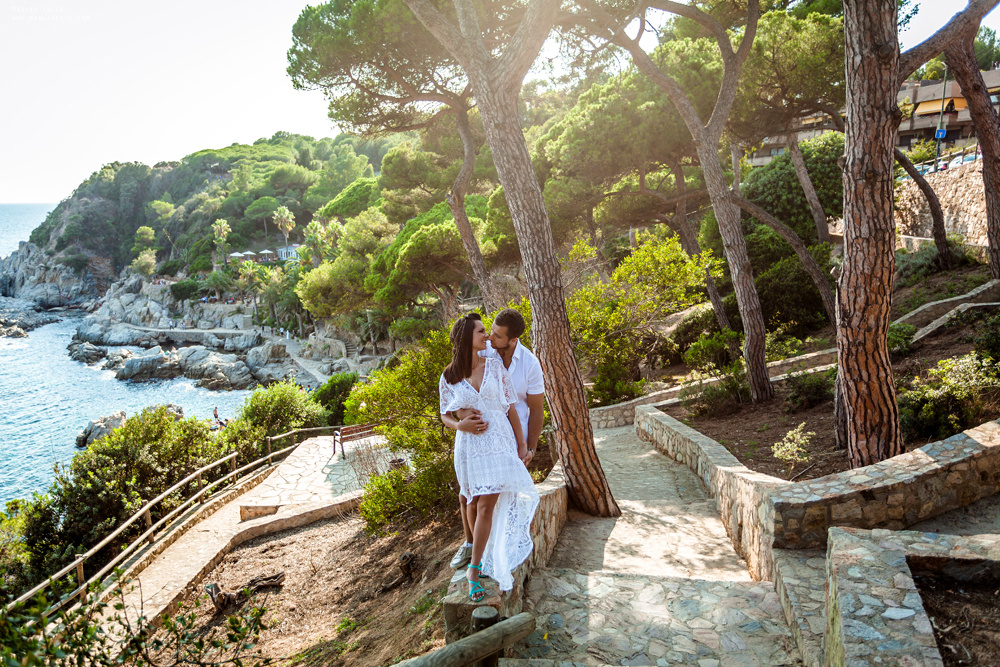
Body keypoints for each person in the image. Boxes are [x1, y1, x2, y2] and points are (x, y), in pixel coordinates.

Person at [439, 313, 539, 601]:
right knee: (472, 501)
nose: (486, 336)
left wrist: (522, 445)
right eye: (481, 331)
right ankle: (479, 556)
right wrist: (460, 424)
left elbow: (510, 409)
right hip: (469, 447)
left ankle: (473, 570)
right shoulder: (449, 376)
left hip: (499, 443)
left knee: (485, 505)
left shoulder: (495, 367)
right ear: (465, 338)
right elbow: (445, 414)